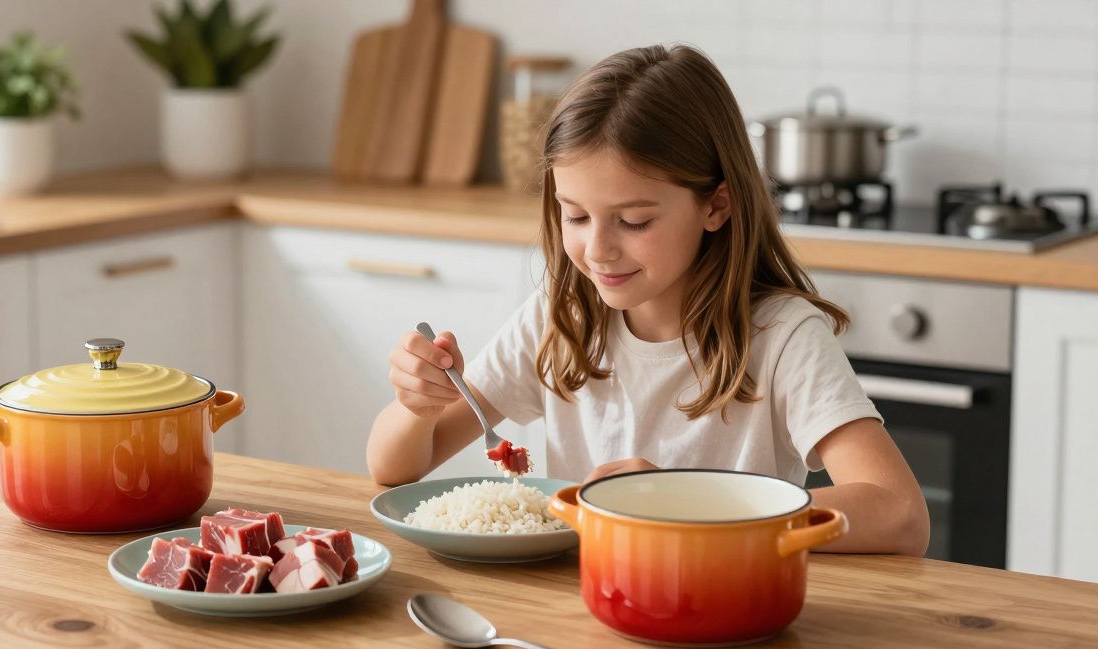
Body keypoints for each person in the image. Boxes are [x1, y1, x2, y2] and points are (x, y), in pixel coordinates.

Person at [366, 45, 929, 555]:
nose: (598, 249)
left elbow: (900, 514)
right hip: (589, 607)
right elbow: (393, 470)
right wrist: (416, 409)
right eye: (576, 215)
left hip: (727, 612)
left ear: (716, 206)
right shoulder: (561, 320)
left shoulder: (781, 336)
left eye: (633, 221)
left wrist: (682, 503)